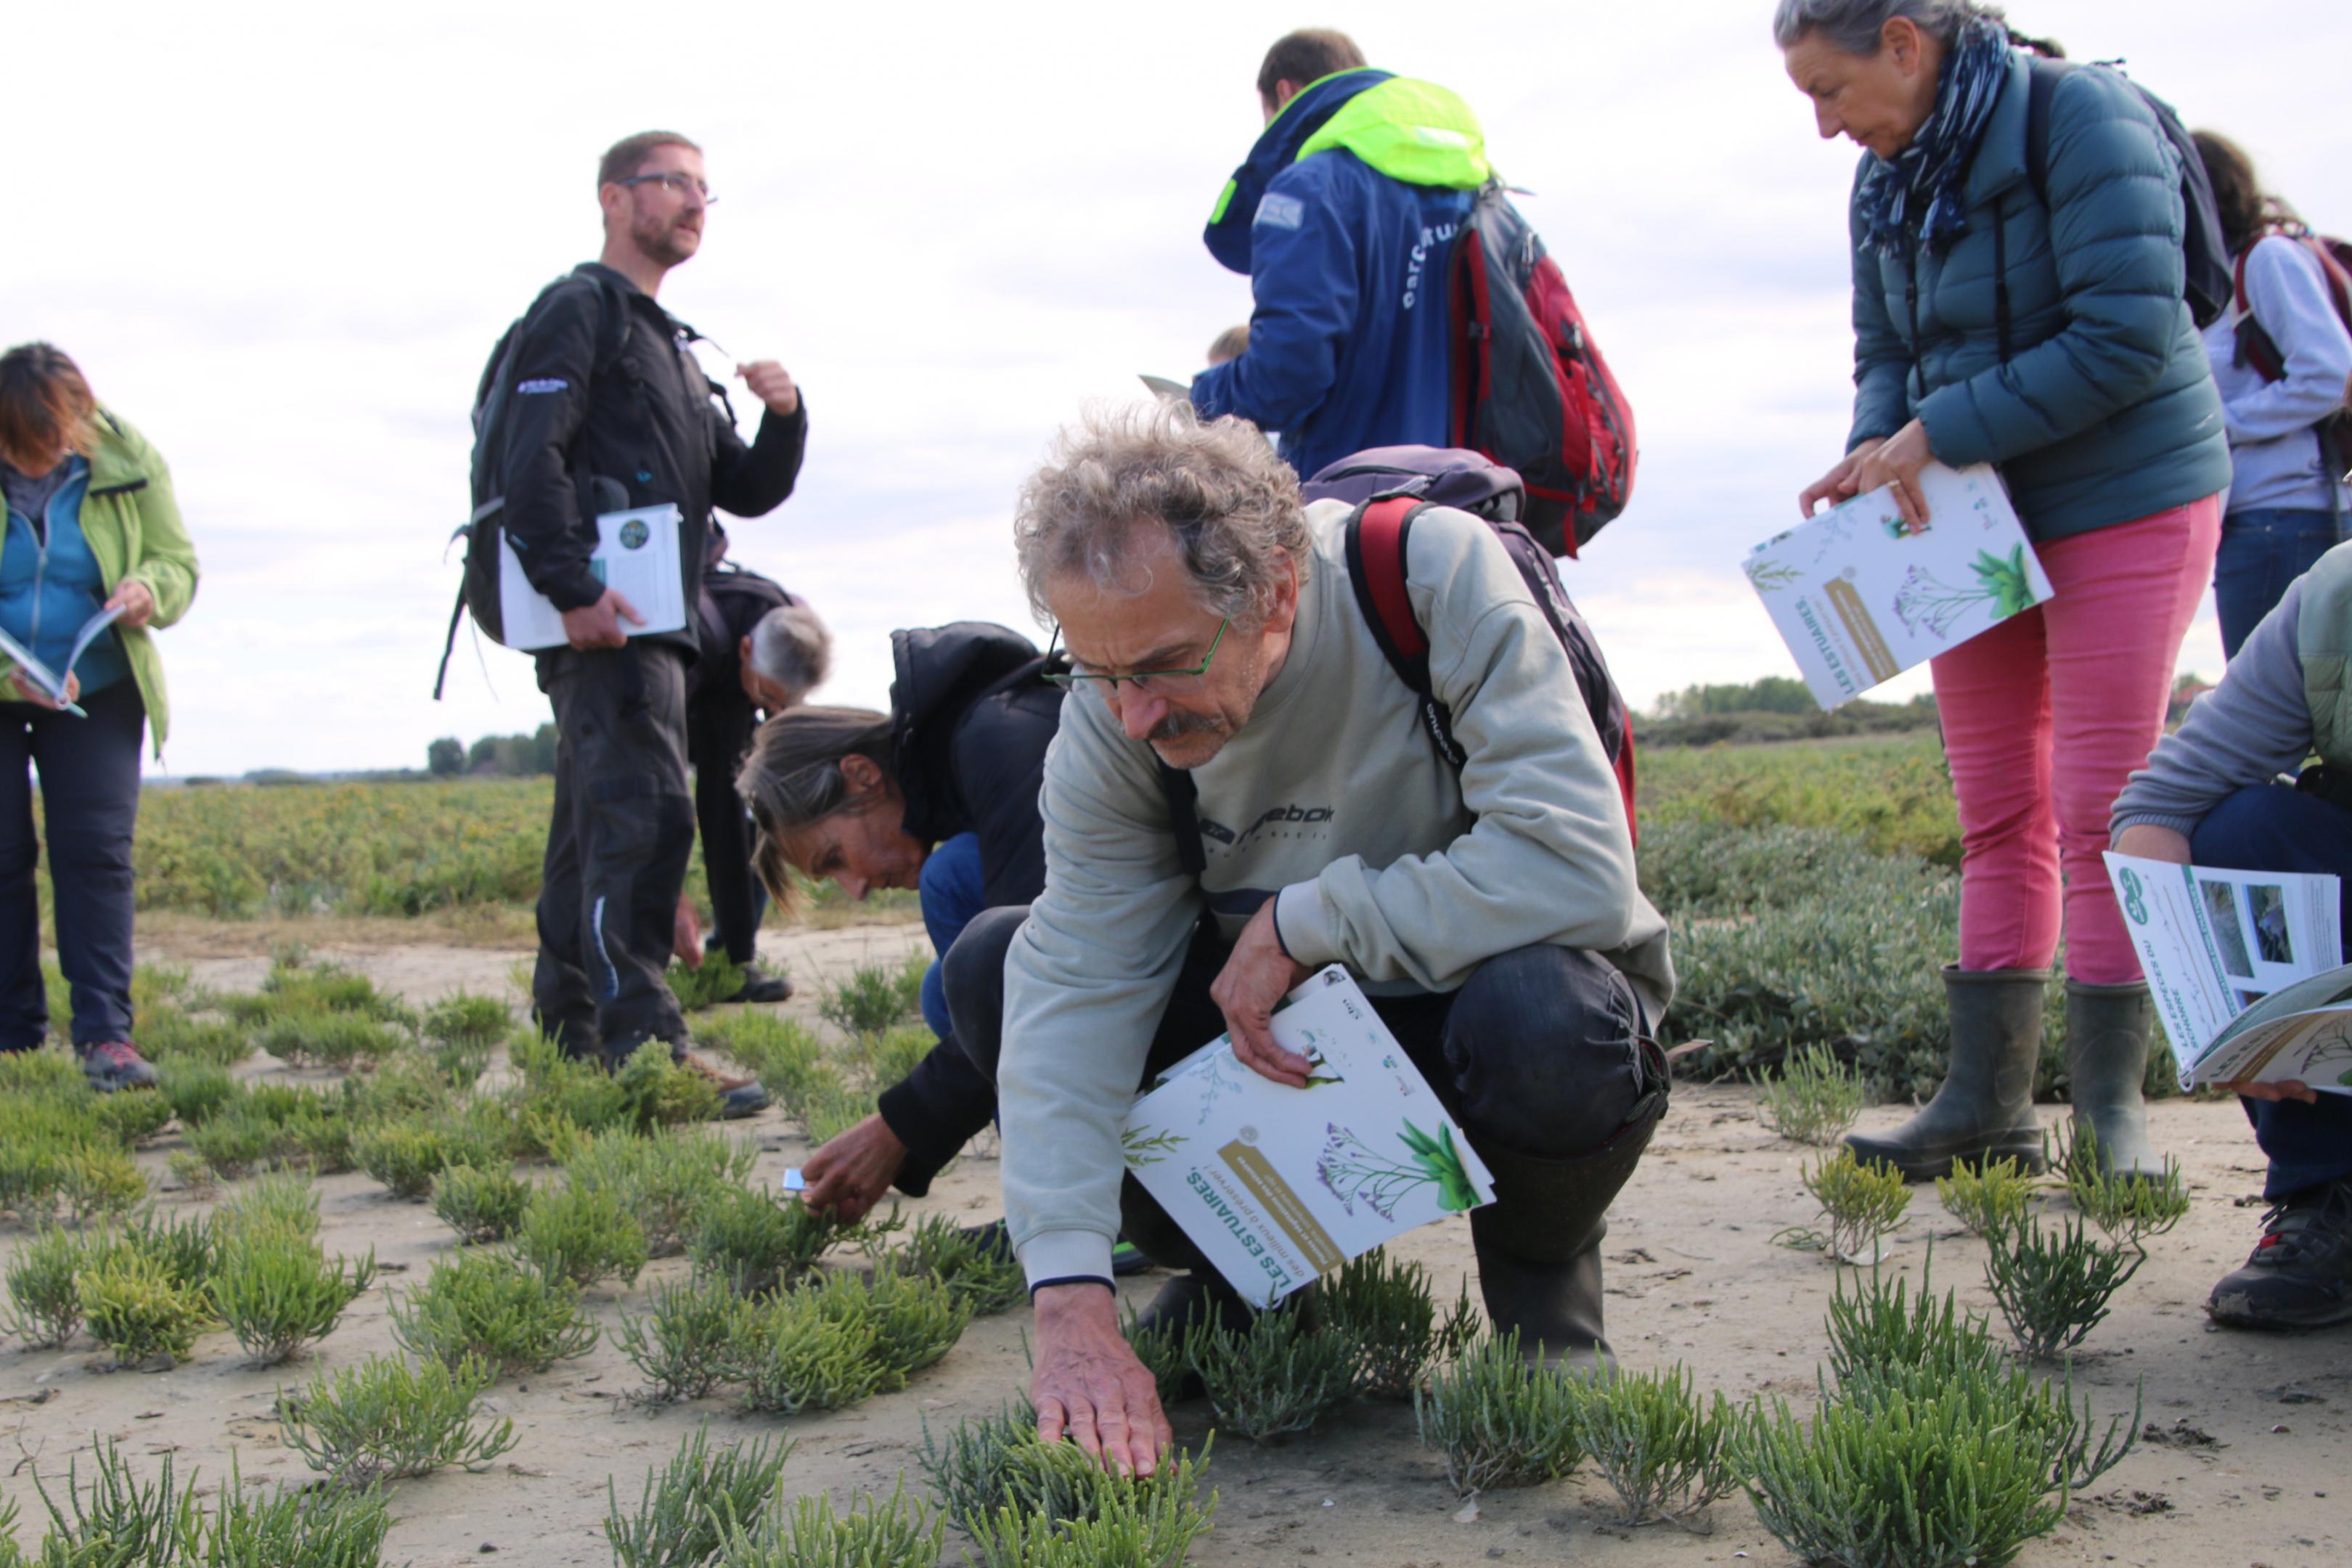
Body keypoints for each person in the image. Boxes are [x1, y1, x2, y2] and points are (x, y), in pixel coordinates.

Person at [947, 403, 1673, 1476]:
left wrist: (1307, 921)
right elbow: (1081, 976)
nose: (1134, 714)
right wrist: (1068, 1294)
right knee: (999, 967)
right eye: (1100, 674)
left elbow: (1574, 868)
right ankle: (1245, 1287)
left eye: (1166, 663)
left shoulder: (1425, 576)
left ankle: (1544, 1306)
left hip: (1471, 1011)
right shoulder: (1118, 706)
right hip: (1273, 1045)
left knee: (1546, 1015)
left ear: (1278, 590)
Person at [1777, 0, 2232, 1180]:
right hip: (1968, 513)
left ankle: (2113, 1113)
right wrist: (1876, 446)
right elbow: (1887, 350)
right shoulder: (1884, 176)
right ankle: (1985, 1105)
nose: (1824, 126)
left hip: (2126, 492)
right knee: (1995, 811)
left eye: (1828, 91)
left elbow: (2127, 336)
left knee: (2101, 803)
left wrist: (1938, 431)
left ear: (1903, 42)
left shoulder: (2083, 118)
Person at [497, 129, 807, 1111]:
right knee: (646, 819)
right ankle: (645, 1049)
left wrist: (786, 417)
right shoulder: (579, 311)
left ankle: (572, 1036)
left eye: (706, 188)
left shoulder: (669, 345)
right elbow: (528, 457)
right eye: (673, 182)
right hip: (609, 621)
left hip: (655, 622)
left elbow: (744, 488)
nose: (694, 202)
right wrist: (571, 589)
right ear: (614, 198)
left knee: (590, 833)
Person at [735, 623, 1062, 1219]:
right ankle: (1053, 1191)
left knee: (951, 884)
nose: (856, 889)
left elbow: (1051, 977)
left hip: (1196, 970)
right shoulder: (967, 750)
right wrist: (906, 1132)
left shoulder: (1000, 738)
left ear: (862, 774)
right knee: (945, 989)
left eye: (834, 858)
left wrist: (898, 1130)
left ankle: (1083, 1202)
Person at [2112, 541, 2352, 1328]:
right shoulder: (2333, 601)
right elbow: (2156, 810)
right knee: (2243, 830)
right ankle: (2327, 1190)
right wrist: (2212, 1015)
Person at [0, 344, 199, 1090]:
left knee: (95, 853)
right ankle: (11, 1041)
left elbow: (178, 563)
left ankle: (105, 1039)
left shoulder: (128, 458)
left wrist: (150, 588)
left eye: (56, 441)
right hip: (3, 678)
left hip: (101, 682)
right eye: (23, 449)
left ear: (79, 418)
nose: (43, 460)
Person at [1187, 29, 1488, 481]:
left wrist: (1199, 399)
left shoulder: (1311, 188)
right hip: (1467, 494)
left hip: (1352, 499)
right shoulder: (1475, 189)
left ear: (1284, 93)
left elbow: (1285, 377)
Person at [2192, 131, 2352, 659]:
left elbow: (2330, 375)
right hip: (2268, 519)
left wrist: (2219, 425)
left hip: (2287, 516)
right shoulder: (2227, 276)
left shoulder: (2266, 260)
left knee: (2265, 703)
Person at [670, 534, 829, 1003]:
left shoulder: (792, 627)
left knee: (754, 821)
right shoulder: (697, 639)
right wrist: (670, 890)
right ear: (745, 650)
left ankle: (733, 960)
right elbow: (651, 767)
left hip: (730, 699)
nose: (774, 711)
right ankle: (627, 969)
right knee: (666, 815)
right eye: (770, 699)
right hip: (668, 704)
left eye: (785, 703)